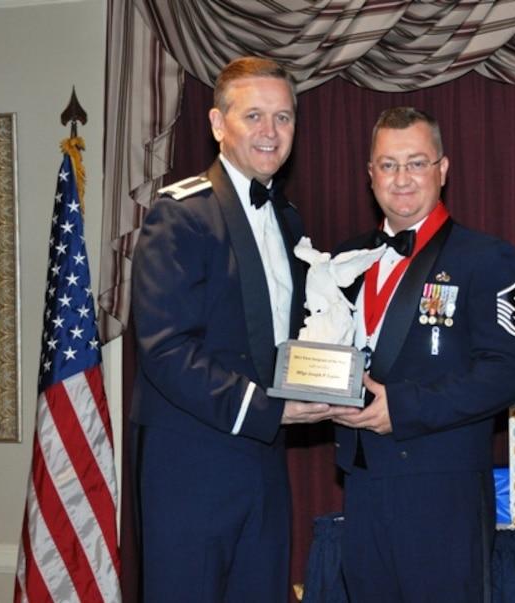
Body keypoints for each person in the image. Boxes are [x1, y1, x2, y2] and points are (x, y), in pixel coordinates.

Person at [129, 56, 345, 602]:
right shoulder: (178, 215)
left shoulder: (288, 218)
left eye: (284, 117)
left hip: (265, 464)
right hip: (190, 466)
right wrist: (271, 409)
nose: (270, 132)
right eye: (253, 116)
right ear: (217, 124)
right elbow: (165, 350)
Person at [332, 106, 515, 602]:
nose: (401, 178)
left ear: (443, 170)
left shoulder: (485, 257)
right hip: (361, 486)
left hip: (441, 492)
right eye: (388, 164)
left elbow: (513, 371)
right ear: (370, 174)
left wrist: (405, 406)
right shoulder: (342, 262)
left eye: (416, 162)